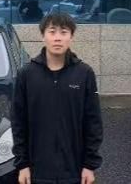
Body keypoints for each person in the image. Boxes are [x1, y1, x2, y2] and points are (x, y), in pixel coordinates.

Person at [12, 12, 103, 184]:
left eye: (64, 32)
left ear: (71, 37)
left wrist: (89, 165)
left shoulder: (84, 73)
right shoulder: (27, 74)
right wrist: (22, 165)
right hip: (36, 171)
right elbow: (18, 123)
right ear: (43, 36)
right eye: (52, 32)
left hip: (74, 171)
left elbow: (93, 122)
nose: (58, 38)